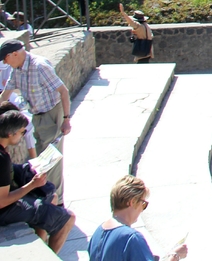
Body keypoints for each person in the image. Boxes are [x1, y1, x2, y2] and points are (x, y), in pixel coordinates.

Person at [0, 38, 71, 204]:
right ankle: (50, 199)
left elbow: (63, 91)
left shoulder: (39, 66)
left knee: (50, 160)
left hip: (51, 114)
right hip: (37, 116)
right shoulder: (17, 69)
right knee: (42, 160)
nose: (4, 62)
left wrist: (66, 119)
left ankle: (57, 202)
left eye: (5, 58)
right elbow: (5, 96)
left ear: (15, 54)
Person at [0, 109, 75, 254]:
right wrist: (33, 184)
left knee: (51, 197)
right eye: (22, 132)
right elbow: (2, 201)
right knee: (67, 219)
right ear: (11, 134)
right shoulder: (2, 159)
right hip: (4, 210)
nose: (23, 136)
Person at [88, 175, 188, 261]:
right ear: (132, 202)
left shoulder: (97, 233)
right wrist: (175, 256)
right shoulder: (131, 238)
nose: (142, 209)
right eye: (143, 203)